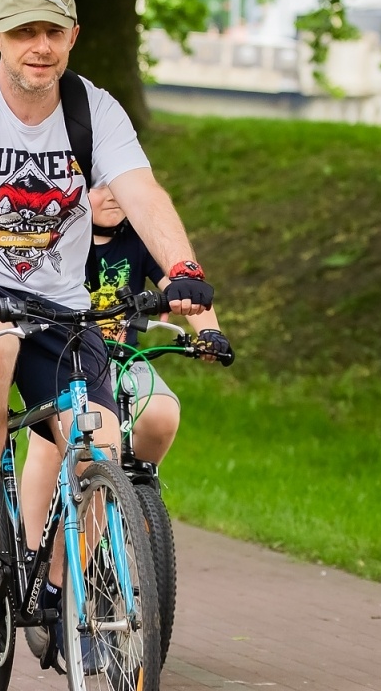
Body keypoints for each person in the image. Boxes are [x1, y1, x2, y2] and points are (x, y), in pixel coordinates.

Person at [0, 0, 216, 646]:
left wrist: (186, 272)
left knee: (99, 440)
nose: (39, 47)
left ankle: (62, 587)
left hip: (56, 304)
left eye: (52, 32)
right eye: (23, 32)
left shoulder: (93, 109)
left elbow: (144, 195)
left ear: (73, 36)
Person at [17, 184, 230, 548]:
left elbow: (184, 290)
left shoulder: (138, 242)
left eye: (119, 186)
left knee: (161, 413)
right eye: (100, 187)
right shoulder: (59, 239)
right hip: (68, 358)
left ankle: (137, 493)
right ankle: (32, 546)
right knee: (51, 443)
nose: (114, 195)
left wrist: (210, 331)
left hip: (123, 358)